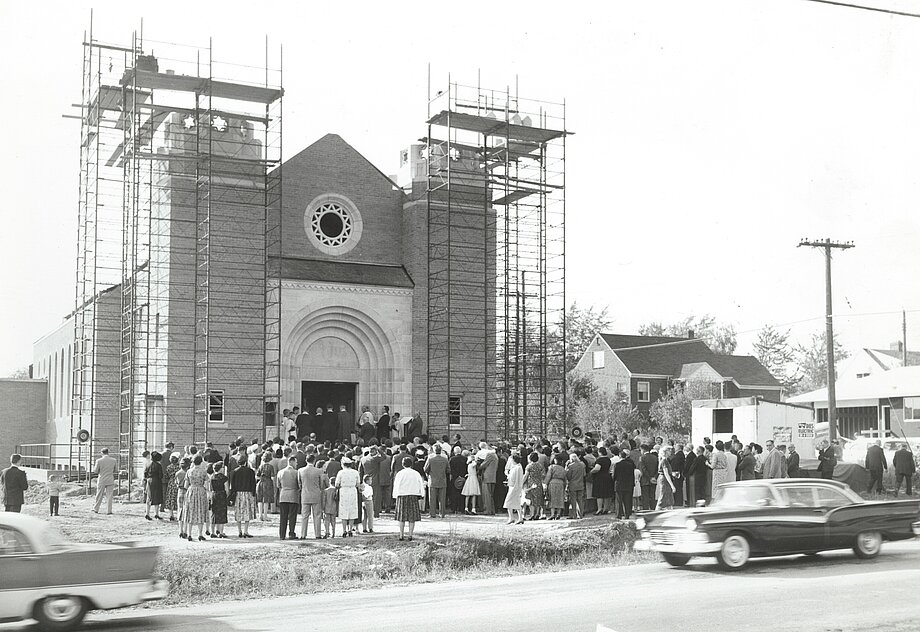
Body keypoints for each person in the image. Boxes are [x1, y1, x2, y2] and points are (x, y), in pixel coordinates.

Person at [392, 455, 425, 540]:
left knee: (401, 517)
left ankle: (401, 535)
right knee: (412, 517)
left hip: (402, 496)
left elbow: (396, 485)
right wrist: (422, 494)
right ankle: (410, 535)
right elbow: (420, 484)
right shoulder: (416, 473)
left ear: (403, 464)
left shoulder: (400, 473)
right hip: (413, 495)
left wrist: (395, 495)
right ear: (411, 464)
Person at [298, 454, 326, 540]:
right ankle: (317, 534)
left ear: (306, 460)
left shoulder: (300, 470)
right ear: (314, 461)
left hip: (305, 494)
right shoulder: (319, 471)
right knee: (317, 515)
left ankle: (303, 534)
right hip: (316, 494)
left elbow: (299, 484)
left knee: (304, 515)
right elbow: (321, 484)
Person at [230, 455, 256, 538]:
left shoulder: (234, 471)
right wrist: (254, 493)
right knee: (247, 512)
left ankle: (239, 531)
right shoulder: (251, 471)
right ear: (246, 462)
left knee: (238, 512)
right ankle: (246, 531)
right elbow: (253, 483)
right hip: (248, 493)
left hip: (238, 494)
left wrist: (232, 496)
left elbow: (232, 485)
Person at [184, 455, 209, 542]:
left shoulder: (189, 471)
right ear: (201, 462)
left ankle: (189, 534)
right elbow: (206, 485)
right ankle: (200, 534)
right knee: (200, 511)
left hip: (191, 491)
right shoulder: (204, 472)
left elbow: (185, 485)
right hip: (201, 491)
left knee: (190, 511)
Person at [336, 456, 361, 537]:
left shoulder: (340, 472)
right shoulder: (355, 472)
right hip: (352, 491)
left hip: (344, 491)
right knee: (352, 509)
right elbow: (358, 483)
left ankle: (344, 530)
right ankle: (350, 529)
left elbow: (337, 483)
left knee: (344, 510)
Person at [276, 456, 300, 540]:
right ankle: (291, 533)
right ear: (292, 462)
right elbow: (299, 485)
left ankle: (282, 534)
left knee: (283, 516)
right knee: (292, 516)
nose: (296, 464)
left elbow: (278, 485)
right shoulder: (296, 473)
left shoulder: (280, 472)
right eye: (296, 462)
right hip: (293, 495)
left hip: (283, 495)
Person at [424, 444, 449, 518]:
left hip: (432, 480)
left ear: (434, 451)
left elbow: (425, 469)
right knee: (442, 498)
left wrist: (428, 474)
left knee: (432, 498)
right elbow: (448, 470)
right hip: (442, 480)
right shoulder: (445, 459)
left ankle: (432, 513)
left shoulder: (430, 459)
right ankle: (442, 513)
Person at [612, 448, 636, 519]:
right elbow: (632, 474)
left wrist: (614, 480)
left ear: (620, 456)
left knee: (619, 500)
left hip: (619, 484)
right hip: (628, 484)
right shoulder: (630, 465)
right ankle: (627, 514)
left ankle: (619, 514)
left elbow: (614, 475)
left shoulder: (617, 464)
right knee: (627, 500)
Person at [93, 447, 117, 514]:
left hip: (101, 479)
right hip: (110, 479)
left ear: (102, 453)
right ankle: (109, 510)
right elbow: (116, 470)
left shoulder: (99, 461)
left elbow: (95, 471)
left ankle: (96, 509)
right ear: (108, 452)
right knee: (109, 496)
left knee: (99, 495)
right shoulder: (114, 460)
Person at [591, 446, 614, 515]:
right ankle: (605, 509)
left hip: (600, 477)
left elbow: (597, 468)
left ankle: (599, 509)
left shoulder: (599, 460)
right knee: (606, 494)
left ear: (599, 452)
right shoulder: (608, 459)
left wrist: (591, 472)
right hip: (607, 476)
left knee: (599, 494)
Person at [209, 461, 229, 539]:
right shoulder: (224, 478)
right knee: (222, 513)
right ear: (220, 469)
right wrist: (227, 495)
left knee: (214, 513)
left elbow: (210, 488)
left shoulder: (211, 477)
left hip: (214, 494)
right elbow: (227, 489)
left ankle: (213, 532)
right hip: (221, 494)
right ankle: (221, 532)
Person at [543, 454, 567, 520]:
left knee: (552, 498)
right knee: (560, 499)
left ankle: (552, 514)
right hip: (561, 483)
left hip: (553, 483)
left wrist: (545, 483)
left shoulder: (551, 467)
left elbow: (548, 476)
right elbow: (565, 478)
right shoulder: (563, 468)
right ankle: (558, 514)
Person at [523, 451, 545, 520]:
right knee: (538, 499)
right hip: (538, 483)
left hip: (531, 483)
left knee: (532, 500)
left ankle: (532, 514)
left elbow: (526, 475)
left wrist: (522, 482)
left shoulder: (529, 466)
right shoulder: (540, 465)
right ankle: (537, 514)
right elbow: (543, 475)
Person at [477, 442, 498, 515]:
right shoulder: (495, 455)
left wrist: (478, 465)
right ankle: (492, 510)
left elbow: (483, 465)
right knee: (491, 495)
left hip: (487, 477)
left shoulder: (490, 455)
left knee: (487, 495)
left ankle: (487, 510)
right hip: (492, 477)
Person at [504, 453, 525, 525]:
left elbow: (518, 479)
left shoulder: (518, 467)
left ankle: (511, 517)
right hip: (512, 486)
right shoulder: (515, 467)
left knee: (508, 501)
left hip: (515, 487)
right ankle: (519, 518)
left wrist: (517, 488)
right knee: (516, 502)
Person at [565, 452, 586, 519]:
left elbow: (568, 476)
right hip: (580, 484)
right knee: (580, 500)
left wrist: (566, 466)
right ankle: (581, 514)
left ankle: (574, 515)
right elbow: (584, 474)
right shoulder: (582, 465)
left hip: (573, 485)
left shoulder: (570, 466)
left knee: (573, 500)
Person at [655, 446, 677, 510]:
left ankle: (669, 511)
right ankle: (656, 512)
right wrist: (672, 485)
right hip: (664, 480)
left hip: (664, 479)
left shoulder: (665, 460)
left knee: (668, 497)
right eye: (669, 450)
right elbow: (666, 473)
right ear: (665, 451)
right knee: (663, 496)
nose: (670, 452)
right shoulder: (664, 460)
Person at [256, 452, 276, 521]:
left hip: (261, 483)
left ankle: (260, 515)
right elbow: (273, 477)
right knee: (266, 500)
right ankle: (265, 515)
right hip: (268, 483)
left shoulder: (260, 466)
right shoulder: (271, 467)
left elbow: (257, 476)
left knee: (260, 499)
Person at [144, 451, 164, 521]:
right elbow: (161, 475)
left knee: (149, 497)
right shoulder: (158, 465)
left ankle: (147, 513)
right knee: (157, 497)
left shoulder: (148, 463)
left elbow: (145, 474)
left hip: (149, 481)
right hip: (156, 481)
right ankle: (156, 514)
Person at [639, 444, 658, 511]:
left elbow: (643, 470)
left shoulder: (642, 457)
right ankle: (653, 509)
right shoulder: (655, 457)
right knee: (652, 496)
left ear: (643, 450)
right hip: (654, 479)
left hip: (645, 480)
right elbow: (657, 469)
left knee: (645, 496)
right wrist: (654, 477)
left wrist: (649, 478)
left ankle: (646, 510)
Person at [163, 453, 181, 521]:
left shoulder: (168, 467)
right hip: (177, 483)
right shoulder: (179, 467)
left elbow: (166, 476)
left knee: (170, 498)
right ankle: (178, 514)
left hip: (170, 483)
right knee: (177, 498)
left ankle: (171, 514)